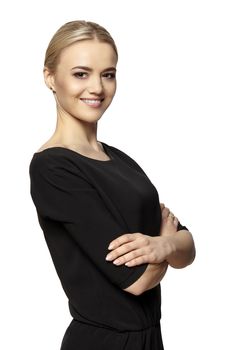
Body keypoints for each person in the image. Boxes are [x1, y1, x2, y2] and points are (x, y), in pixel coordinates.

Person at [29, 20, 196, 350]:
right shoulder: (53, 167)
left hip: (150, 337)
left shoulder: (121, 162)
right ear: (50, 77)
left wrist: (163, 246)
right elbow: (137, 280)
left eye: (108, 73)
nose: (97, 87)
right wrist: (167, 242)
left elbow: (188, 247)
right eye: (81, 73)